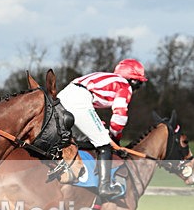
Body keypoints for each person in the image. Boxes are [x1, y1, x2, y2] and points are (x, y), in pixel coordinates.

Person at [56, 59, 148, 200]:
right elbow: (120, 116)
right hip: (79, 100)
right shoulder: (125, 86)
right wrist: (115, 140)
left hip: (62, 96)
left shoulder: (108, 78)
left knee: (80, 139)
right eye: (139, 84)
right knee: (104, 143)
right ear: (134, 81)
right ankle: (105, 187)